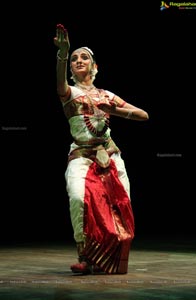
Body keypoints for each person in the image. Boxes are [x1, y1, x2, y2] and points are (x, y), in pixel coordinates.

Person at [53, 23, 149, 275]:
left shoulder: (107, 95)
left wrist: (116, 110)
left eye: (84, 57)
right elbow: (59, 83)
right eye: (74, 59)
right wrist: (62, 53)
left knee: (119, 204)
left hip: (110, 156)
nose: (78, 60)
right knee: (78, 199)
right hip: (82, 157)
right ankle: (84, 256)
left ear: (95, 67)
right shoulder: (69, 92)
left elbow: (144, 115)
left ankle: (111, 257)